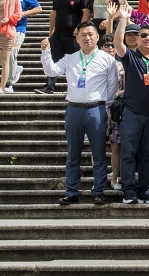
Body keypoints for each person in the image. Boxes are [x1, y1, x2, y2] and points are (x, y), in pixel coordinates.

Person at [40, 21, 120, 205]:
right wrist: (45, 52)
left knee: (99, 154)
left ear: (97, 37)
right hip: (74, 109)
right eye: (83, 34)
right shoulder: (70, 58)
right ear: (76, 37)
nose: (87, 38)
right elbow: (51, 70)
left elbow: (112, 85)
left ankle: (98, 190)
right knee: (72, 153)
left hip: (96, 109)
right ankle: (71, 191)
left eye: (91, 34)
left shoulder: (107, 59)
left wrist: (103, 105)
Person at [109, 0, 149, 205]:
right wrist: (123, 20)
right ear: (137, 39)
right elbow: (117, 44)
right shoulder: (131, 57)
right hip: (132, 114)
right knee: (128, 153)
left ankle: (144, 191)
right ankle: (129, 192)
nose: (148, 38)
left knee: (147, 156)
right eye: (143, 35)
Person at [37, 0, 86, 95]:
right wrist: (51, 30)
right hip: (58, 34)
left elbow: (87, 13)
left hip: (74, 35)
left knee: (77, 60)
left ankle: (78, 86)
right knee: (54, 59)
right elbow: (53, 14)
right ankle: (49, 86)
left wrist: (80, 28)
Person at [6, 0, 41, 89]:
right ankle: (15, 68)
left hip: (18, 29)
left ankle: (9, 83)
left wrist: (24, 13)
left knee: (11, 53)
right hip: (4, 30)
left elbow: (38, 8)